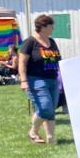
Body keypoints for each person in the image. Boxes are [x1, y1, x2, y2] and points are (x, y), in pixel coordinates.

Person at [18, 14, 62, 144]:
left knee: (51, 109)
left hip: (53, 80)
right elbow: (22, 62)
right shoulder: (29, 42)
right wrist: (23, 81)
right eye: (51, 26)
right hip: (36, 80)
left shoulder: (51, 41)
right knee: (45, 107)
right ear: (42, 27)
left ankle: (51, 137)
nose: (52, 28)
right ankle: (33, 131)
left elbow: (58, 59)